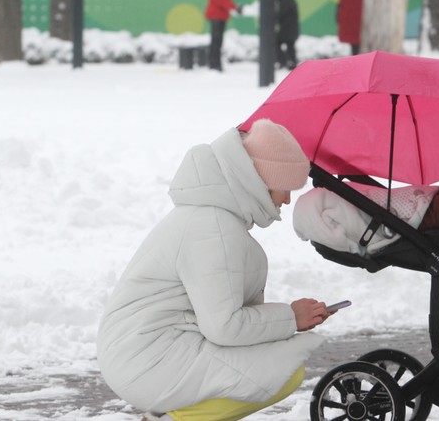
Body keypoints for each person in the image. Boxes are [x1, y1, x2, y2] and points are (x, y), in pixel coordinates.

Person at [97, 119, 329, 421]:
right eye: (284, 188)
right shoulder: (214, 228)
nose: (286, 199)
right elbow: (225, 326)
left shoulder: (212, 217)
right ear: (259, 181)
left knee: (277, 357)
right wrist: (290, 318)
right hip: (148, 358)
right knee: (283, 372)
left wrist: (285, 323)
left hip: (148, 350)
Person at [205, 0, 237, 71]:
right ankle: (214, 64)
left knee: (217, 40)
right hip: (216, 14)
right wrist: (231, 6)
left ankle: (214, 64)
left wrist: (232, 6)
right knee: (217, 41)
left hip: (219, 14)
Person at [275, 0, 299, 70]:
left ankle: (284, 61)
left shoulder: (286, 1)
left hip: (287, 29)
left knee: (275, 43)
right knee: (290, 46)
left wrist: (272, 18)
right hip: (291, 29)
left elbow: (281, 14)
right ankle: (291, 62)